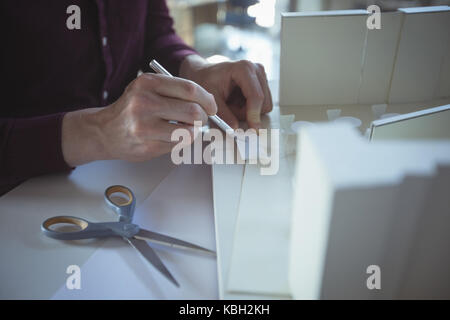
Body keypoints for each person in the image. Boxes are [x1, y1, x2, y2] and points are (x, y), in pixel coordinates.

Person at [0, 0, 273, 195]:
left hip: (122, 179)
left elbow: (155, 31)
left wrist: (194, 68)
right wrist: (96, 132)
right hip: (17, 200)